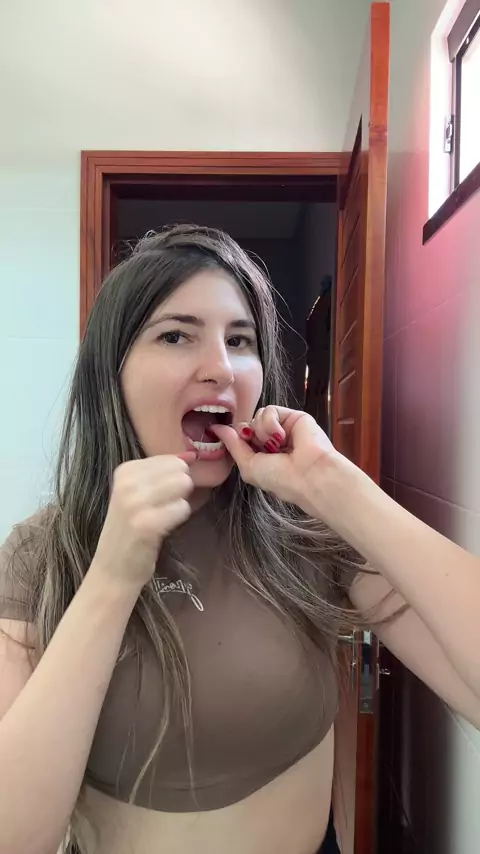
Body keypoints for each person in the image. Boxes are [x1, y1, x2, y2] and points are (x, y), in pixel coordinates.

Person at [0, 225, 479, 854]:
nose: (221, 368)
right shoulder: (40, 554)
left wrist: (336, 487)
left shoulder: (307, 530)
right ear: (111, 374)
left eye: (240, 340)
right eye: (176, 335)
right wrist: (111, 578)